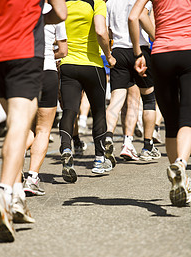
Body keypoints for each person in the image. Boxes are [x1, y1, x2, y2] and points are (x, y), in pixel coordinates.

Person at [0, 0, 67, 242]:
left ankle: (16, 196)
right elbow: (60, 12)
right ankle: (3, 191)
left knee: (14, 126)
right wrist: (38, 20)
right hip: (24, 52)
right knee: (19, 125)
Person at [128, 0, 191, 206]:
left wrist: (138, 52)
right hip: (189, 51)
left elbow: (134, 16)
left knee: (171, 122)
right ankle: (181, 165)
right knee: (187, 117)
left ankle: (178, 181)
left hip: (162, 54)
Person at [59, 0, 116, 183]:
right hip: (92, 65)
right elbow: (100, 30)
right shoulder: (96, 2)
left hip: (68, 64)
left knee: (69, 111)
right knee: (99, 111)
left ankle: (67, 149)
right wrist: (108, 55)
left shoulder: (63, 4)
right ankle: (99, 160)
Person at [104, 0, 161, 164]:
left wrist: (108, 53)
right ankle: (147, 146)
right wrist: (155, 36)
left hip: (118, 51)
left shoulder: (110, 3)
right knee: (148, 99)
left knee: (116, 100)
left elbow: (106, 32)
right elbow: (142, 16)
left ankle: (108, 137)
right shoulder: (141, 1)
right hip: (140, 50)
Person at [23, 18, 68, 196]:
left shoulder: (23, 8)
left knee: (23, 128)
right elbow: (63, 51)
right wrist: (50, 54)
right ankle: (32, 178)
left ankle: (15, 174)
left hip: (25, 70)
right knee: (43, 130)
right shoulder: (55, 13)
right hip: (47, 70)